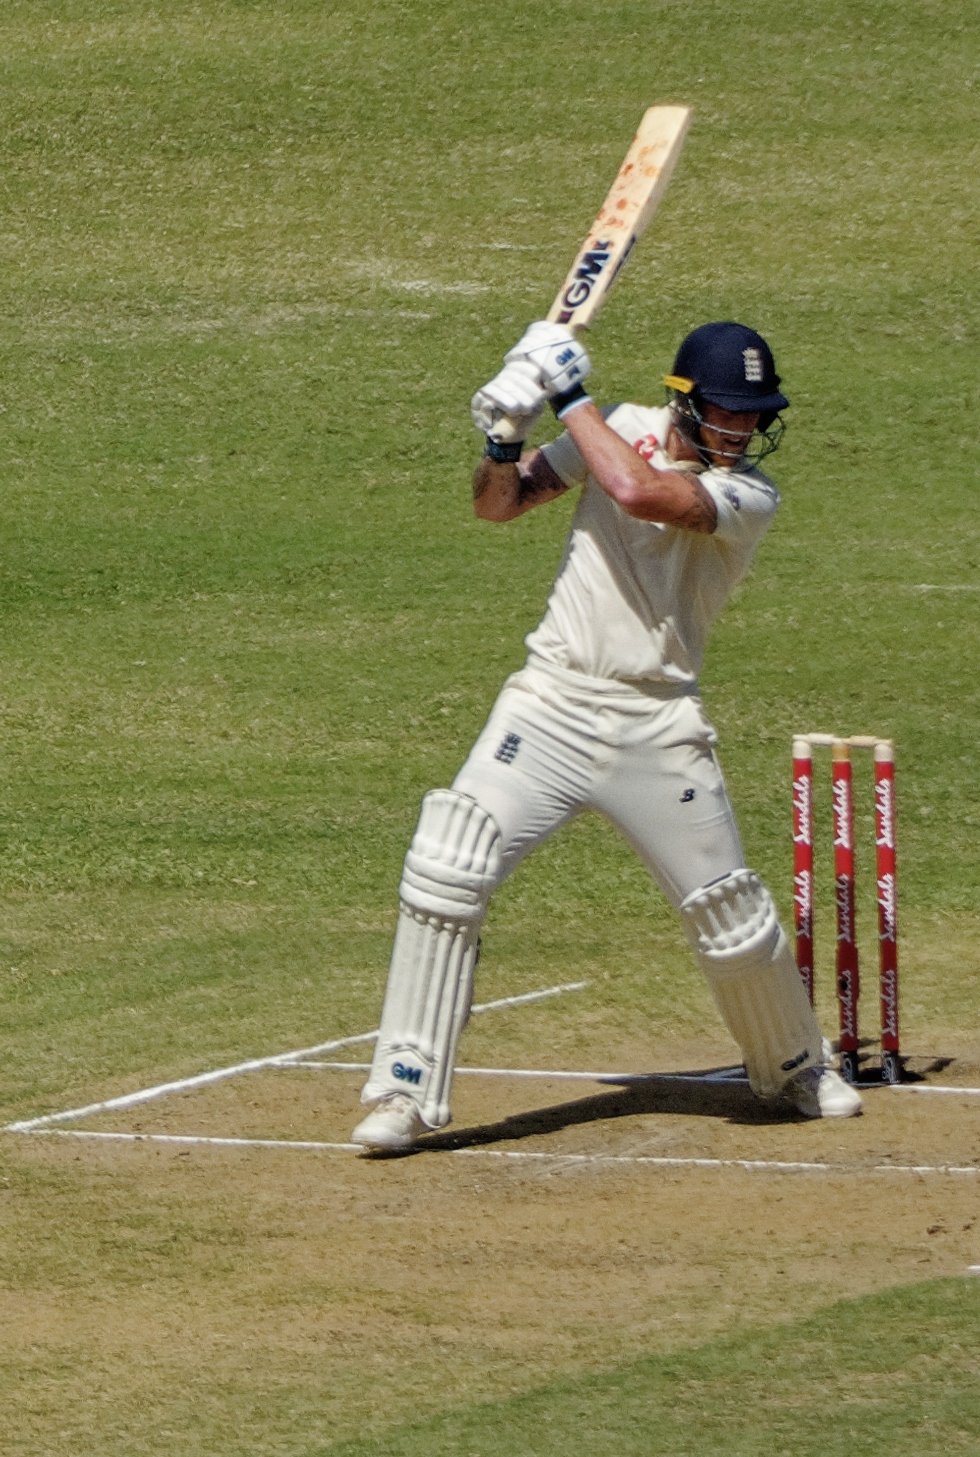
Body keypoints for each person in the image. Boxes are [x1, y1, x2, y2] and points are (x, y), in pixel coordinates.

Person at [351, 319, 862, 1152]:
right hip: (549, 702)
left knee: (727, 911)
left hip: (656, 722)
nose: (741, 428)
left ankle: (796, 1063)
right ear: (684, 401)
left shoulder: (749, 494)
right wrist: (502, 437)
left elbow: (638, 492)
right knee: (446, 864)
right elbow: (497, 505)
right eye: (726, 410)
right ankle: (404, 1087)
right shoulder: (617, 426)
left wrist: (567, 393)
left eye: (753, 414)